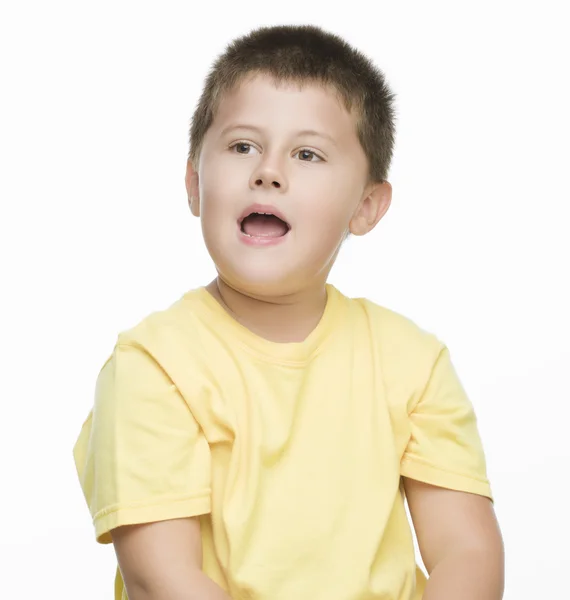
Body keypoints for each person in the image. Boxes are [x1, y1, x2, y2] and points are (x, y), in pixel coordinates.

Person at [73, 24, 504, 600]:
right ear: (195, 182)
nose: (268, 171)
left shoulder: (412, 363)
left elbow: (467, 552)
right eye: (243, 145)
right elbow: (163, 579)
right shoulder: (153, 365)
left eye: (306, 153)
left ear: (367, 206)